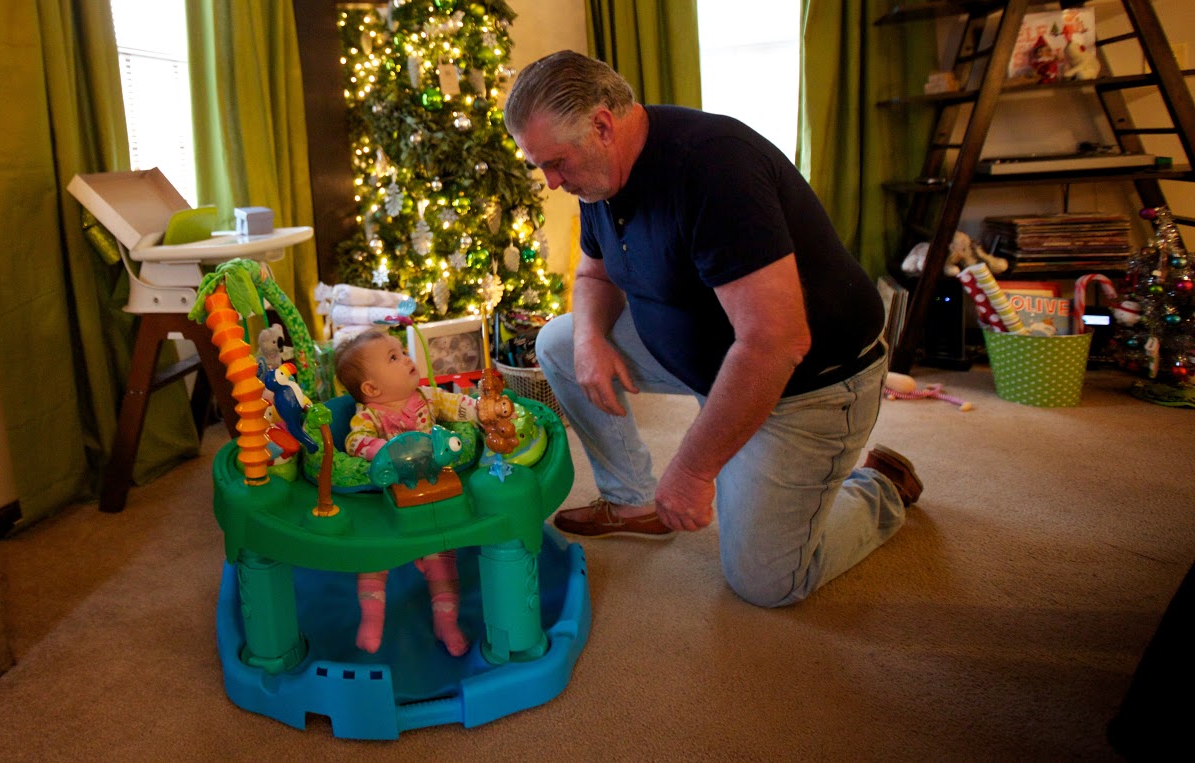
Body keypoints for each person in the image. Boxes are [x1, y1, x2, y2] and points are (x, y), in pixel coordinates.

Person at [503, 50, 922, 608]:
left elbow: (776, 341)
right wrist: (589, 342)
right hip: (709, 353)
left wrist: (693, 470)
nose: (552, 182)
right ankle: (632, 502)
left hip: (804, 382)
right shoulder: (600, 176)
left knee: (766, 581)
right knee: (559, 340)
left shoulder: (714, 168)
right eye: (541, 167)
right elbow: (593, 273)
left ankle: (880, 487)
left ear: (602, 126)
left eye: (556, 163)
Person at [334, 328, 512, 653]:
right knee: (372, 558)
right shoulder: (368, 416)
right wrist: (383, 450)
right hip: (389, 504)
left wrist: (483, 411)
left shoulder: (428, 397)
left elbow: (459, 406)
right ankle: (372, 620)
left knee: (442, 561)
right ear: (371, 388)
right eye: (394, 357)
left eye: (402, 352)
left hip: (432, 493)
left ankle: (447, 623)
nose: (406, 359)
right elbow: (354, 442)